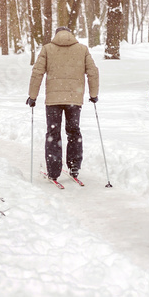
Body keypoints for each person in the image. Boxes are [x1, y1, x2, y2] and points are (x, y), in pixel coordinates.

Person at [27, 26, 100, 183]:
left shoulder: (47, 49)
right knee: (74, 131)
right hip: (74, 99)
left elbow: (37, 73)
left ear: (56, 35)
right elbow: (93, 72)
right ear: (70, 34)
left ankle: (53, 172)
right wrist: (93, 95)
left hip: (53, 101)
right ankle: (74, 167)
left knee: (53, 134)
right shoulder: (82, 49)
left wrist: (32, 96)